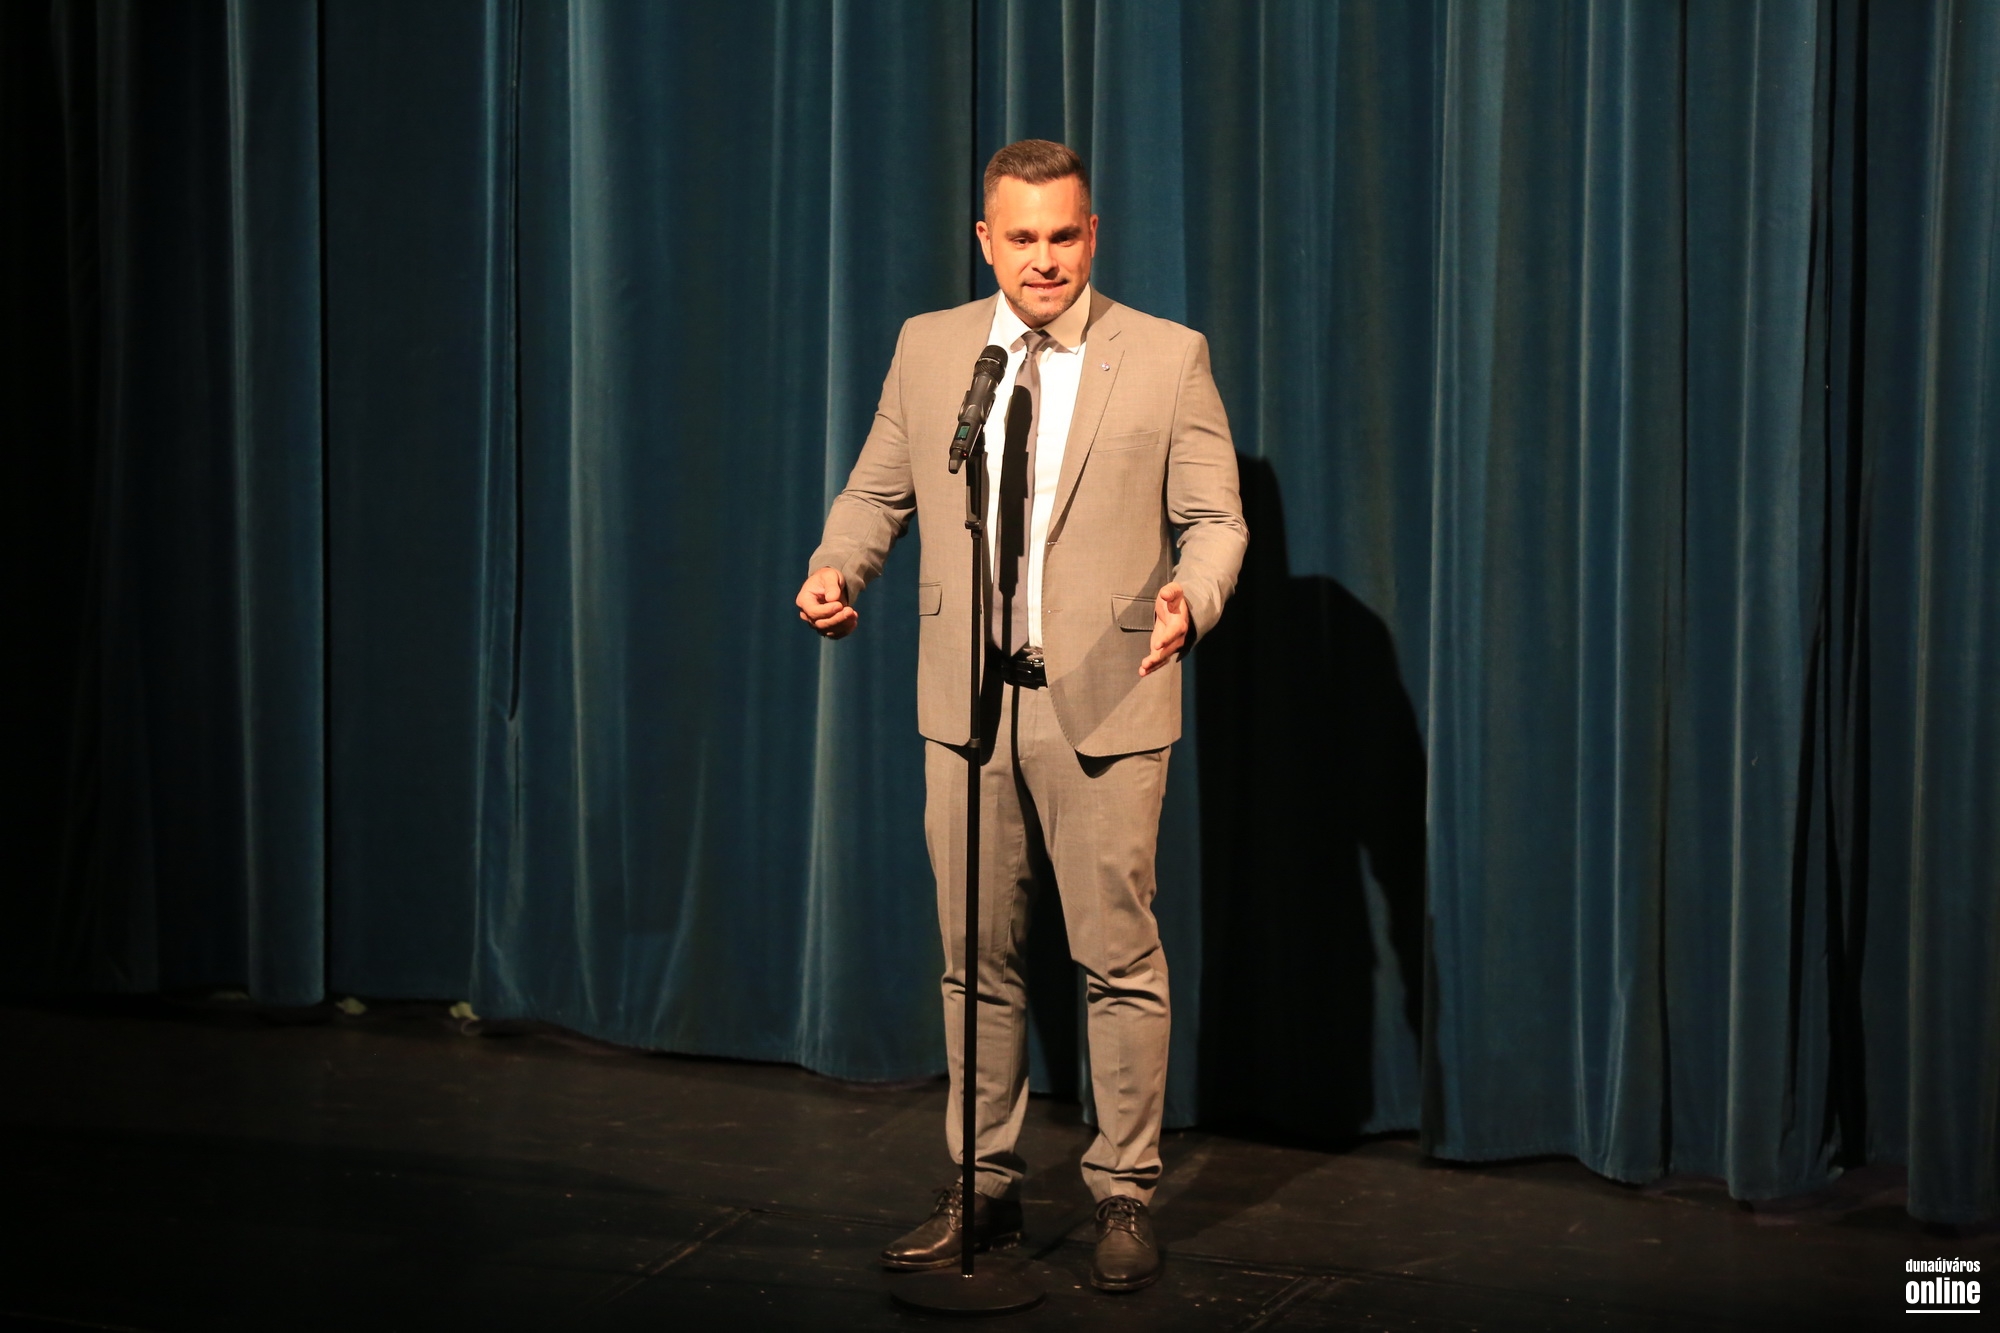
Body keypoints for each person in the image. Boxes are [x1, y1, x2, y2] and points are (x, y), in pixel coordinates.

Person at [795, 139, 1246, 1294]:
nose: (1043, 261)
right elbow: (877, 490)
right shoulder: (933, 348)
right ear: (984, 241)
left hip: (1107, 698)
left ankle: (1123, 1191)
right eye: (1021, 238)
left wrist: (1190, 597)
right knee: (973, 961)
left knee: (1117, 960)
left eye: (1063, 236)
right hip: (965, 702)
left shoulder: (1166, 356)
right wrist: (840, 566)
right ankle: (979, 1182)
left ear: (1091, 236)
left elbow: (1213, 517)